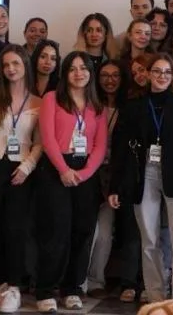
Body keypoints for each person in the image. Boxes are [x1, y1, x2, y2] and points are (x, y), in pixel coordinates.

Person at [112, 55, 173, 302]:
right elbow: (120, 149)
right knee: (149, 239)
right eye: (157, 71)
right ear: (148, 74)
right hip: (144, 173)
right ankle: (155, 296)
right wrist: (116, 186)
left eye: (167, 72)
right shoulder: (134, 106)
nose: (162, 76)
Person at [0, 44, 43, 314]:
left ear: (25, 66)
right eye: (6, 65)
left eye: (15, 63)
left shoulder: (38, 102)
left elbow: (40, 142)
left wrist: (27, 166)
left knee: (16, 229)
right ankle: (2, 283)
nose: (10, 69)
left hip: (20, 171)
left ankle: (15, 286)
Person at [35, 52, 109, 311]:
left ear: (91, 73)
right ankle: (46, 290)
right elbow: (47, 139)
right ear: (65, 73)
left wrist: (85, 173)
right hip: (56, 169)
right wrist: (64, 170)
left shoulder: (97, 105)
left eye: (84, 68)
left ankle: (73, 288)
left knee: (82, 232)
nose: (79, 73)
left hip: (86, 172)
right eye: (73, 69)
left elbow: (100, 146)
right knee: (56, 232)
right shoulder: (52, 99)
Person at [86, 61, 138, 300]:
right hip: (89, 171)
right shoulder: (90, 105)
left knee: (105, 232)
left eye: (115, 75)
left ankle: (96, 280)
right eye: (104, 75)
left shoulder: (129, 108)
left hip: (116, 175)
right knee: (90, 229)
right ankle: (81, 280)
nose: (110, 80)